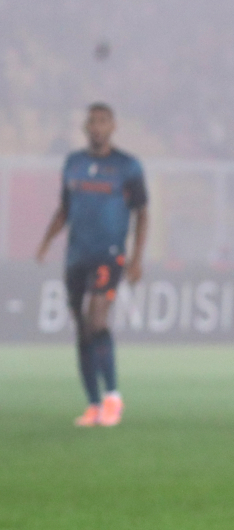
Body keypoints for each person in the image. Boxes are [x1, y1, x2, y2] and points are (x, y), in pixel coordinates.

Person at [36, 103, 148, 427]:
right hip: (77, 256)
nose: (97, 127)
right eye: (92, 122)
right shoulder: (74, 164)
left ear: (113, 126)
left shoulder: (127, 167)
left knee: (97, 319)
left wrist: (136, 258)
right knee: (82, 328)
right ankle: (93, 404)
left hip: (109, 254)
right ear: (85, 128)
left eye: (102, 121)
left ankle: (113, 396)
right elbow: (64, 209)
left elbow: (142, 213)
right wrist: (46, 242)